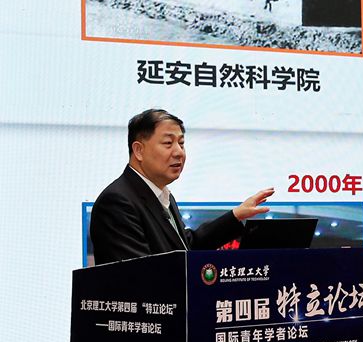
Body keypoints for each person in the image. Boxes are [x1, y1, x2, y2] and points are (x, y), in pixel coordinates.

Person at [90, 109, 274, 265]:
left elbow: (185, 246)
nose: (179, 152)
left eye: (181, 143)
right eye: (168, 143)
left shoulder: (163, 196)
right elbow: (139, 275)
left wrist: (236, 215)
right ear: (139, 150)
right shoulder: (118, 201)